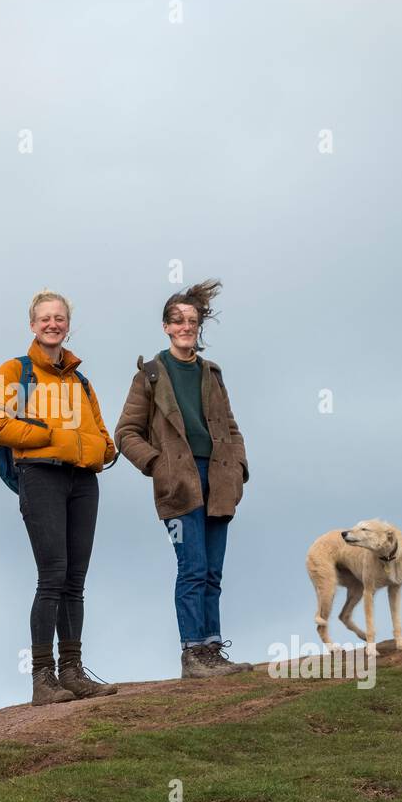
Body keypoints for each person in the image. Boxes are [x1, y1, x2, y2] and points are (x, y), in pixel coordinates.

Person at [113, 280, 254, 679]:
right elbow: (125, 433)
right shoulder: (150, 375)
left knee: (212, 571)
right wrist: (159, 466)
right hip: (178, 485)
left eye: (192, 320)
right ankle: (193, 655)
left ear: (199, 326)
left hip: (219, 481)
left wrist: (240, 469)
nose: (185, 326)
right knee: (192, 567)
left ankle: (212, 648)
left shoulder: (212, 373)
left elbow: (231, 426)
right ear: (166, 327)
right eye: (178, 320)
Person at [0, 291, 120, 705]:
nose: (52, 324)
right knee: (52, 576)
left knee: (75, 582)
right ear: (32, 325)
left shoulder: (80, 379)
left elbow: (101, 432)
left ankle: (73, 671)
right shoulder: (15, 371)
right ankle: (43, 678)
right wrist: (50, 437)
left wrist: (102, 450)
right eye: (45, 318)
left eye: (59, 318)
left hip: (83, 481)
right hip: (40, 476)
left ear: (67, 324)